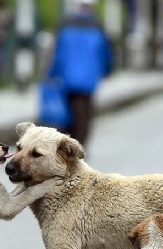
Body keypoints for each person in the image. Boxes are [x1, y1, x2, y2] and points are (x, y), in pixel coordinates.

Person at [47, 0, 113, 145]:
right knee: (85, 113)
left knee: (69, 112)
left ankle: (69, 142)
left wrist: (52, 74)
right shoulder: (98, 27)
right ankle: (80, 144)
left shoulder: (65, 26)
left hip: (67, 77)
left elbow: (58, 54)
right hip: (89, 78)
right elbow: (105, 53)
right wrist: (107, 71)